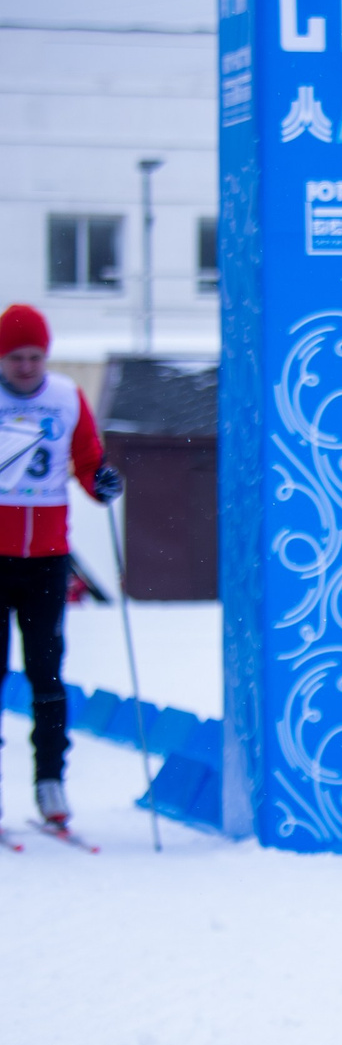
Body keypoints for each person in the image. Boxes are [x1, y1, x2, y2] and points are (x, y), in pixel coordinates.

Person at [0, 304, 121, 832]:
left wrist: (102, 483)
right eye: (15, 358)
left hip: (47, 559)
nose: (26, 367)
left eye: (35, 357)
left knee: (46, 671)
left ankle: (50, 780)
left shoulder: (67, 397)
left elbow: (88, 460)